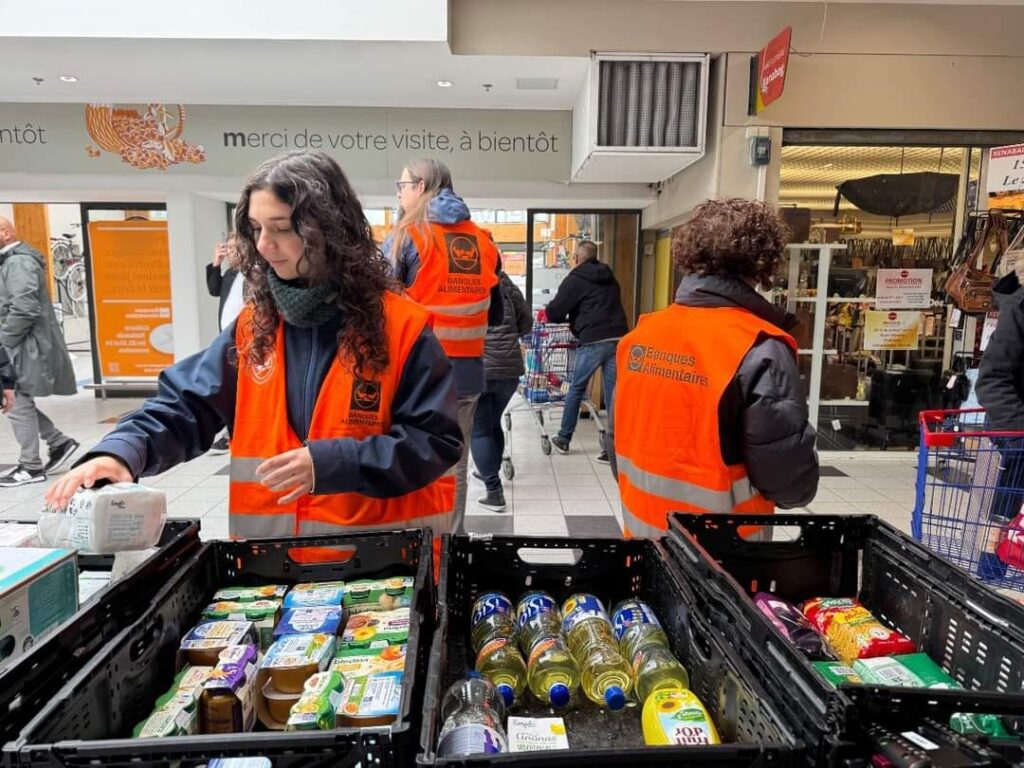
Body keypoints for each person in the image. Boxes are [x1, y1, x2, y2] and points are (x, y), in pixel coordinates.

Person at [46, 151, 463, 544]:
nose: (264, 245)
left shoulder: (402, 328)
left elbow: (434, 442)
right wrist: (124, 451)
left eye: (281, 228)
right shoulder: (254, 325)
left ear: (330, 233)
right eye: (256, 228)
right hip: (270, 580)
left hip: (381, 578)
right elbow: (187, 404)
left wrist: (332, 463)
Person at [609, 198, 818, 538]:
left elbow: (615, 441)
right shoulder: (759, 347)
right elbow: (788, 482)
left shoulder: (639, 337)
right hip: (724, 558)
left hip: (643, 536)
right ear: (762, 261)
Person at [384, 158, 502, 532]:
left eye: (401, 185)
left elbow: (379, 310)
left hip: (414, 376)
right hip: (466, 375)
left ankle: (415, 542)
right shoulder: (483, 242)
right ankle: (451, 542)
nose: (400, 193)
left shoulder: (407, 237)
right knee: (456, 464)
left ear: (419, 187)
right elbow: (495, 315)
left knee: (406, 456)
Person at [0, 217, 80, 487]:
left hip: (23, 344)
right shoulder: (12, 261)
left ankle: (31, 466)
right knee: (19, 401)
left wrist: (3, 340)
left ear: (6, 233)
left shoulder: (18, 262)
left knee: (15, 401)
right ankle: (58, 441)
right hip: (23, 343)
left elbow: (24, 308)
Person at [543, 240, 628, 462]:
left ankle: (563, 438)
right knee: (613, 394)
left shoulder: (576, 279)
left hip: (593, 339)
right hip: (618, 337)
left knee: (576, 388)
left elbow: (556, 310)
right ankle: (614, 447)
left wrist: (556, 314)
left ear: (578, 259)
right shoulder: (610, 277)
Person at [472, 271, 532, 510]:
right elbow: (526, 322)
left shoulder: (467, 283)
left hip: (479, 367)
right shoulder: (507, 284)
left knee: (479, 431)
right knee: (492, 423)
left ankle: (493, 490)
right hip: (509, 370)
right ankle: (489, 469)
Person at [205, 235, 245, 454]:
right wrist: (216, 264)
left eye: (234, 248)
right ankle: (229, 432)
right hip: (227, 339)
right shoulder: (231, 273)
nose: (230, 251)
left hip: (246, 340)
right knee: (229, 385)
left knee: (237, 386)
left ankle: (232, 433)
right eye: (228, 248)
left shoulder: (253, 273)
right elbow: (214, 289)